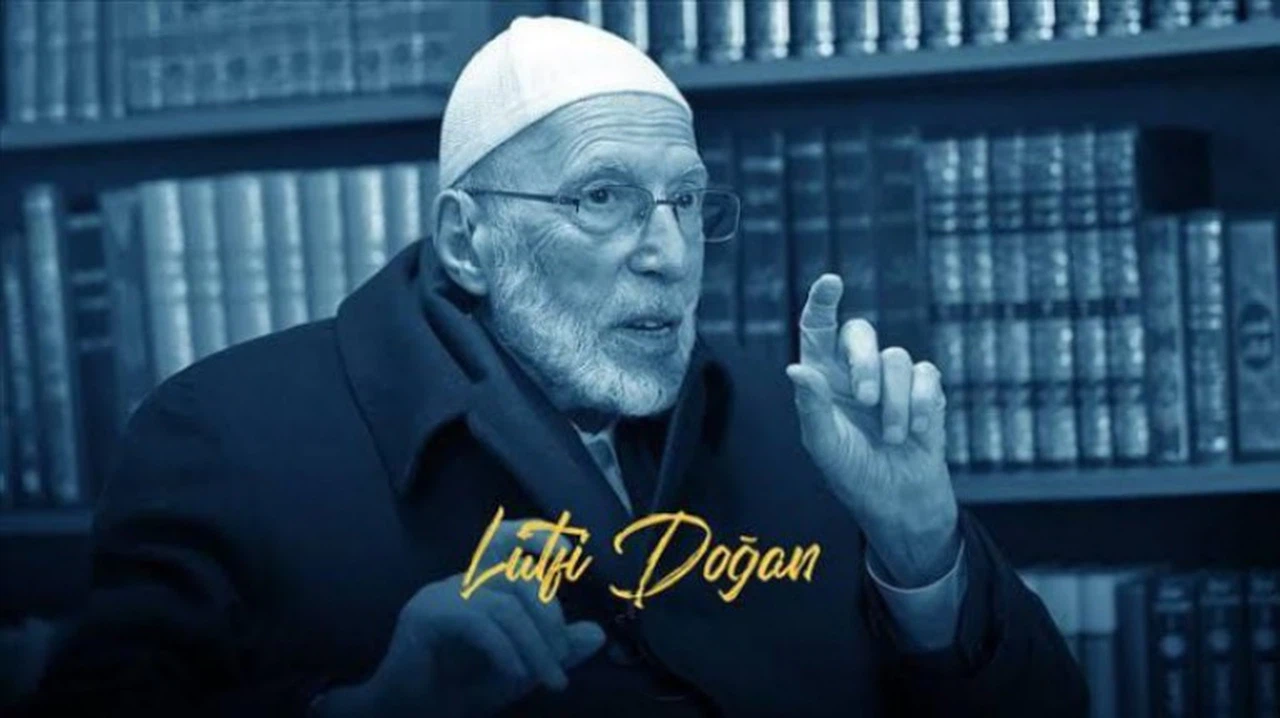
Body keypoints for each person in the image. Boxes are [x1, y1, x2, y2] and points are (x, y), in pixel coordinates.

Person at [28, 16, 1087, 718]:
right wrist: (375, 709)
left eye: (685, 200)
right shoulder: (225, 435)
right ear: (466, 240)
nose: (667, 251)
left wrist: (919, 549)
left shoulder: (802, 427)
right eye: (602, 198)